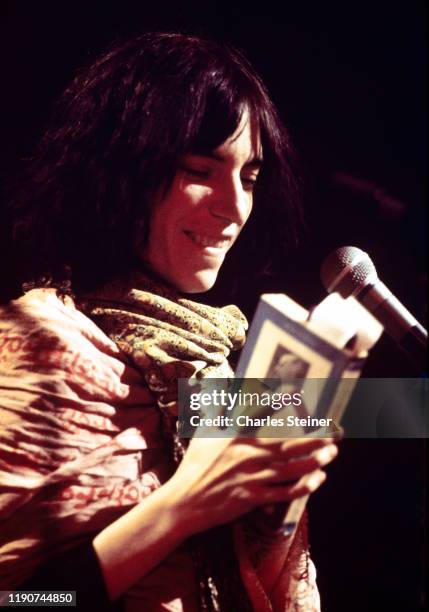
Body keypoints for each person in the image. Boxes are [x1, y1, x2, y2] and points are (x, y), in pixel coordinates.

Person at [0, 32, 339, 611]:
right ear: (120, 172)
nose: (234, 208)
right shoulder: (36, 348)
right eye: (199, 169)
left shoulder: (208, 366)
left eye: (250, 179)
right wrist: (181, 508)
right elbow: (25, 602)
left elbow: (395, 410)